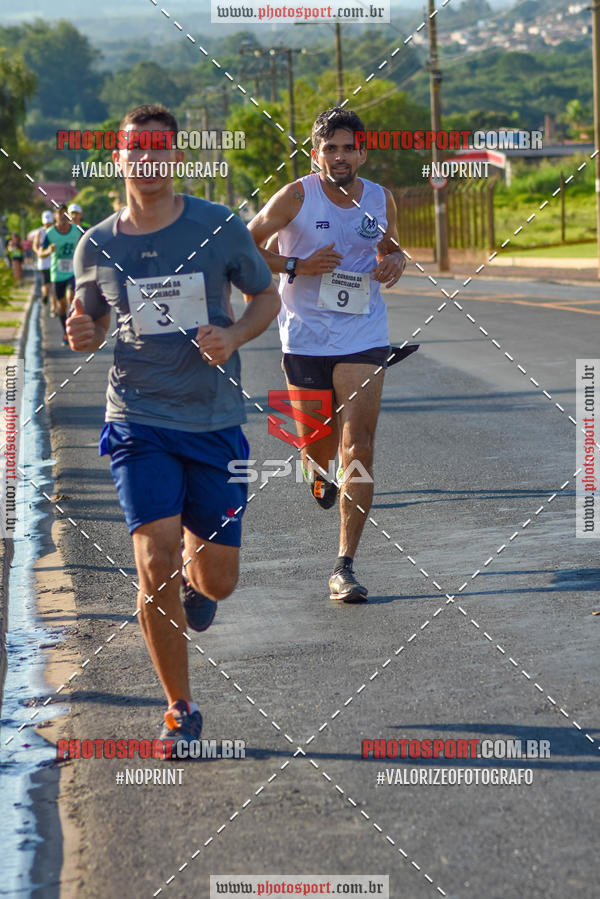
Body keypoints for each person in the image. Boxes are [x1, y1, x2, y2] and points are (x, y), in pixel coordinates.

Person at [66, 103, 279, 750]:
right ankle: (179, 709)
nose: (149, 163)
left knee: (218, 579)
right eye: (138, 152)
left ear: (176, 158)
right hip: (138, 419)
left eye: (161, 151)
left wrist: (236, 333)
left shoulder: (218, 227)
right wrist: (83, 331)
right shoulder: (96, 243)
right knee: (151, 558)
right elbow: (92, 317)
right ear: (120, 159)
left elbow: (265, 295)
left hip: (213, 420)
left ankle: (197, 581)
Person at [248, 106, 406, 604]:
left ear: (362, 150)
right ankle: (317, 474)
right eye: (329, 148)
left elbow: (390, 248)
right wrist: (297, 263)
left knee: (357, 444)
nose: (339, 156)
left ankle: (345, 565)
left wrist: (394, 261)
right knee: (315, 445)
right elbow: (243, 246)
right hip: (302, 337)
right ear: (316, 152)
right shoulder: (296, 195)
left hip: (363, 332)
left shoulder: (380, 198)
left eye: (348, 147)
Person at [40, 205, 81, 341]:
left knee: (71, 298)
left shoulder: (76, 231)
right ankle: (66, 332)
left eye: (65, 214)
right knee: (61, 305)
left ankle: (74, 329)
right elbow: (41, 253)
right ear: (55, 216)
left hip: (73, 271)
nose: (63, 217)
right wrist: (48, 251)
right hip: (57, 274)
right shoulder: (50, 233)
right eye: (60, 214)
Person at [32, 211, 54, 305]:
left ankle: (53, 305)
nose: (48, 225)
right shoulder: (39, 232)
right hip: (44, 262)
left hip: (54, 261)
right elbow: (35, 246)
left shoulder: (55, 230)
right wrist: (40, 253)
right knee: (47, 284)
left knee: (53, 284)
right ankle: (45, 295)